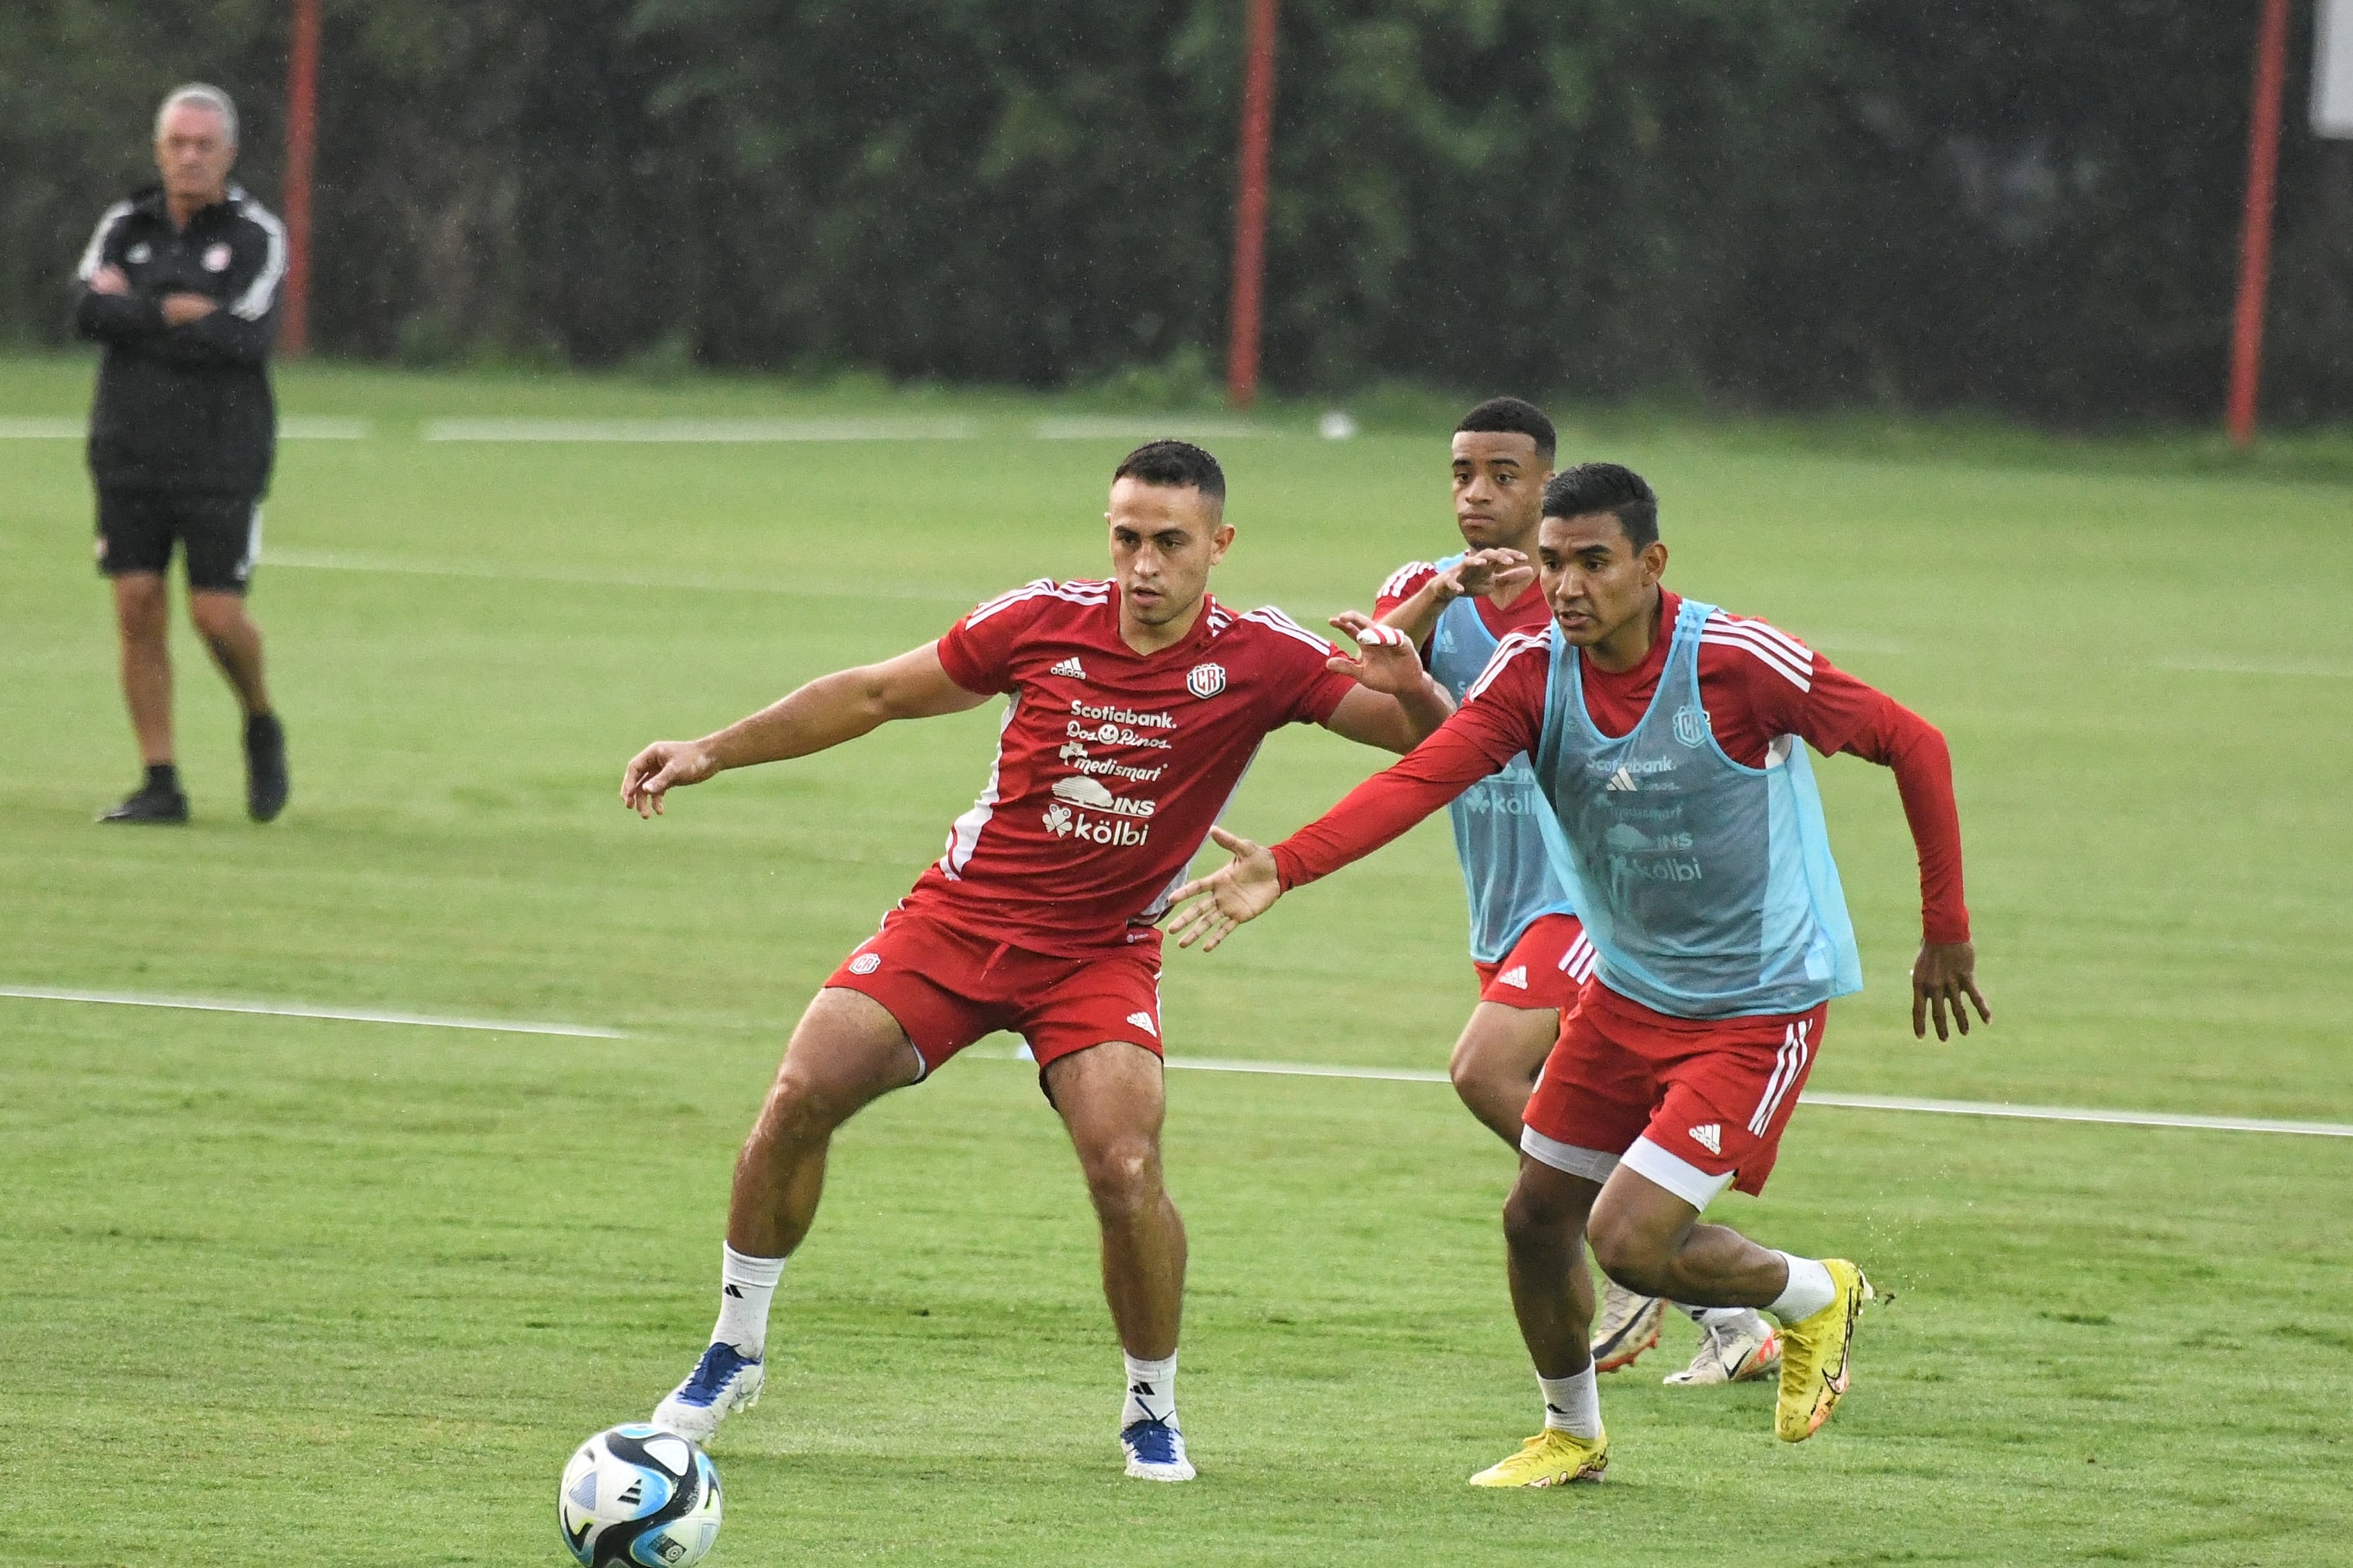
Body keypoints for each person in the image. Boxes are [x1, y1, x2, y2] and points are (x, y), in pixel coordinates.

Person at [618, 441, 1452, 1482]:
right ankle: (731, 1351)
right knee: (799, 1090)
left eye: (1168, 543)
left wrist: (1410, 687)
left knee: (1125, 1165)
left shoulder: (1263, 655)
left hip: (1099, 953)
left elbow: (1428, 746)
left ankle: (1150, 1406)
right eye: (1125, 538)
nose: (1142, 565)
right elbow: (875, 692)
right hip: (959, 922)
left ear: (1217, 546)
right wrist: (712, 748)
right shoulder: (1038, 619)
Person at [1169, 462, 1989, 1486]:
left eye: (1592, 562)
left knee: (1628, 1239)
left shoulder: (1735, 661)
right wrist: (1284, 864)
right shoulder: (1529, 673)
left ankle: (1810, 1291)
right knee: (1532, 1215)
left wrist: (1943, 928)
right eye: (1552, 562)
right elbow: (1424, 775)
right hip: (1621, 990)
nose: (1567, 585)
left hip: (1753, 1004)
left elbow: (1912, 740)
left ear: (1649, 564)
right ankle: (1571, 1431)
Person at [1374, 400, 1780, 1389]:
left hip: (1593, 900)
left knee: (1482, 1071)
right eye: (1461, 472)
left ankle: (1659, 1284)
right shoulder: (1422, 596)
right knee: (1560, 1150)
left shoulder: (1594, 611)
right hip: (1501, 904)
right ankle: (1726, 1306)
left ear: (1546, 489)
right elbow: (1389, 689)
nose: (1476, 492)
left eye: (1502, 474)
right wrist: (1437, 594)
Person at [73, 83, 289, 825]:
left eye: (205, 145)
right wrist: (178, 308)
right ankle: (159, 780)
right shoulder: (124, 222)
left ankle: (259, 718)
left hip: (222, 456)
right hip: (126, 449)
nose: (190, 156)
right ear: (158, 148)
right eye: (178, 143)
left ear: (228, 153)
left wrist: (138, 308)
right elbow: (85, 310)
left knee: (214, 616)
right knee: (136, 606)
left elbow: (247, 334)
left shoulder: (256, 232)